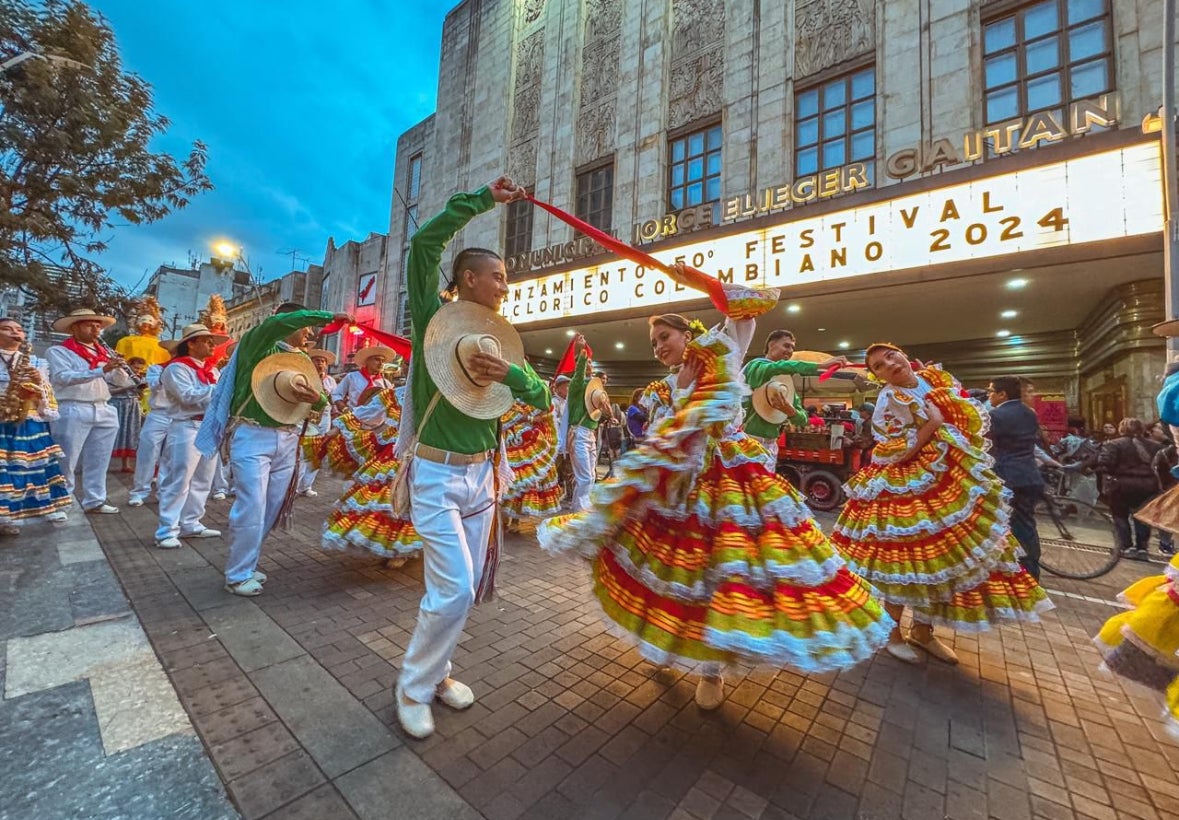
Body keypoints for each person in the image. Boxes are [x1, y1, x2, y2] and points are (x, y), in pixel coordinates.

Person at [540, 272, 892, 710]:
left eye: (664, 336)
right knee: (673, 570)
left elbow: (747, 309)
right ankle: (668, 642)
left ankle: (711, 671)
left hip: (727, 480)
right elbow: (654, 427)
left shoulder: (724, 348)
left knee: (720, 571)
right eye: (654, 343)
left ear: (688, 334)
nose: (659, 347)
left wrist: (701, 282)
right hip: (678, 484)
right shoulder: (665, 385)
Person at [394, 176, 550, 740]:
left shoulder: (499, 336)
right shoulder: (430, 317)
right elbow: (424, 245)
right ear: (469, 278)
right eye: (499, 277)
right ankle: (413, 689)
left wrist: (512, 373)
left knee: (459, 588)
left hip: (484, 478)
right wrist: (484, 199)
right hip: (435, 475)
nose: (505, 286)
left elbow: (536, 394)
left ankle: (438, 676)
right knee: (454, 589)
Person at [830, 343, 1052, 665]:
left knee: (941, 562)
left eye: (891, 355)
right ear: (877, 377)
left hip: (948, 480)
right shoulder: (889, 399)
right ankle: (891, 633)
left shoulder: (932, 380)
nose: (889, 364)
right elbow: (892, 451)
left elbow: (963, 420)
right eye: (878, 365)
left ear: (903, 355)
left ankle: (923, 631)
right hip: (904, 486)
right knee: (903, 560)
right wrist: (931, 426)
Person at [196, 302, 350, 597]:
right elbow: (276, 324)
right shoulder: (259, 345)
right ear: (289, 323)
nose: (310, 333)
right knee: (251, 504)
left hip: (289, 440)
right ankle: (237, 574)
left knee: (272, 507)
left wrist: (314, 397)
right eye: (306, 327)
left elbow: (318, 403)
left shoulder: (301, 359)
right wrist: (328, 314)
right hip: (252, 435)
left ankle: (247, 563)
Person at [322, 385, 421, 568]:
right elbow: (365, 411)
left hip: (425, 453)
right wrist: (336, 429)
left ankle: (409, 547)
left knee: (418, 500)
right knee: (389, 501)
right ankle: (397, 548)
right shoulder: (393, 394)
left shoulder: (437, 393)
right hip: (395, 453)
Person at [152, 324, 228, 549]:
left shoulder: (211, 370)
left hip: (207, 425)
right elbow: (187, 396)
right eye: (206, 341)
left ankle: (191, 522)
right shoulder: (176, 368)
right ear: (191, 343)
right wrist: (219, 390)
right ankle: (166, 529)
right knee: (180, 479)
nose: (212, 345)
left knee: (203, 479)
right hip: (186, 425)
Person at [47, 309, 124, 514]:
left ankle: (95, 500)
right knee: (66, 459)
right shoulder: (59, 351)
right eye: (90, 325)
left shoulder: (103, 352)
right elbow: (64, 377)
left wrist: (119, 370)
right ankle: (60, 501)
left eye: (98, 325)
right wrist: (102, 369)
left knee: (99, 459)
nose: (96, 329)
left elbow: (115, 381)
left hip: (103, 407)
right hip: (73, 406)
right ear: (74, 327)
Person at [0, 317, 70, 534]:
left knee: (29, 469)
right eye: (6, 329)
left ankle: (10, 517)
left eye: (19, 329)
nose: (15, 332)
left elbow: (48, 394)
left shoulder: (37, 362)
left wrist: (38, 385)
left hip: (28, 421)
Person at [742, 329, 846, 469]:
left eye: (792, 347)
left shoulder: (785, 383)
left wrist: (790, 411)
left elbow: (803, 419)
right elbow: (778, 367)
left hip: (771, 445)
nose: (790, 351)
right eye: (786, 345)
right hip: (745, 442)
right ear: (771, 345)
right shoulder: (757, 366)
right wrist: (820, 365)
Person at [987, 375, 1046, 580]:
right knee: (1027, 525)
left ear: (1002, 394)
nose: (989, 395)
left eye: (991, 391)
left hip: (1008, 477)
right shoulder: (1029, 413)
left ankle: (1024, 574)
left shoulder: (995, 416)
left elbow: (986, 444)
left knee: (1013, 526)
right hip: (1029, 474)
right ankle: (1031, 568)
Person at [1099, 417, 1164, 560]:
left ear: (1122, 429)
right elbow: (1161, 467)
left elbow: (1105, 463)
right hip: (1148, 486)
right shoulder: (1155, 446)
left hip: (1121, 485)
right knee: (1142, 516)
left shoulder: (1113, 444)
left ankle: (1127, 546)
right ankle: (1142, 549)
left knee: (1120, 515)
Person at [566, 337, 609, 510]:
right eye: (588, 363)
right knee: (585, 478)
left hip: (590, 434)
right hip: (579, 434)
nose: (591, 365)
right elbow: (579, 374)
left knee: (590, 476)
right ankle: (581, 512)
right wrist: (583, 352)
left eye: (591, 363)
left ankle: (577, 511)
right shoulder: (575, 385)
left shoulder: (594, 389)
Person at [297, 348, 339, 497]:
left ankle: (306, 486)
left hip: (325, 417)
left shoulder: (330, 381)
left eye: (323, 361)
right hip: (308, 416)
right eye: (317, 360)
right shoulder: (305, 377)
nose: (320, 364)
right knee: (303, 452)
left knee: (318, 452)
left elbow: (335, 399)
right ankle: (296, 485)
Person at [109, 355, 147, 472]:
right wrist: (127, 387)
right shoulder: (117, 374)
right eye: (135, 368)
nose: (137, 371)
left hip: (132, 405)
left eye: (139, 369)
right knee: (113, 433)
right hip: (119, 404)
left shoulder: (138, 377)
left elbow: (140, 396)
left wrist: (139, 389)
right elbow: (109, 391)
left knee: (130, 433)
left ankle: (126, 464)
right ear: (129, 365)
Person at [332, 346, 395, 410]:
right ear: (367, 361)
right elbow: (336, 394)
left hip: (377, 419)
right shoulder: (352, 377)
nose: (381, 363)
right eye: (377, 359)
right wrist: (344, 408)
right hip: (353, 416)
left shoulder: (386, 383)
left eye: (383, 361)